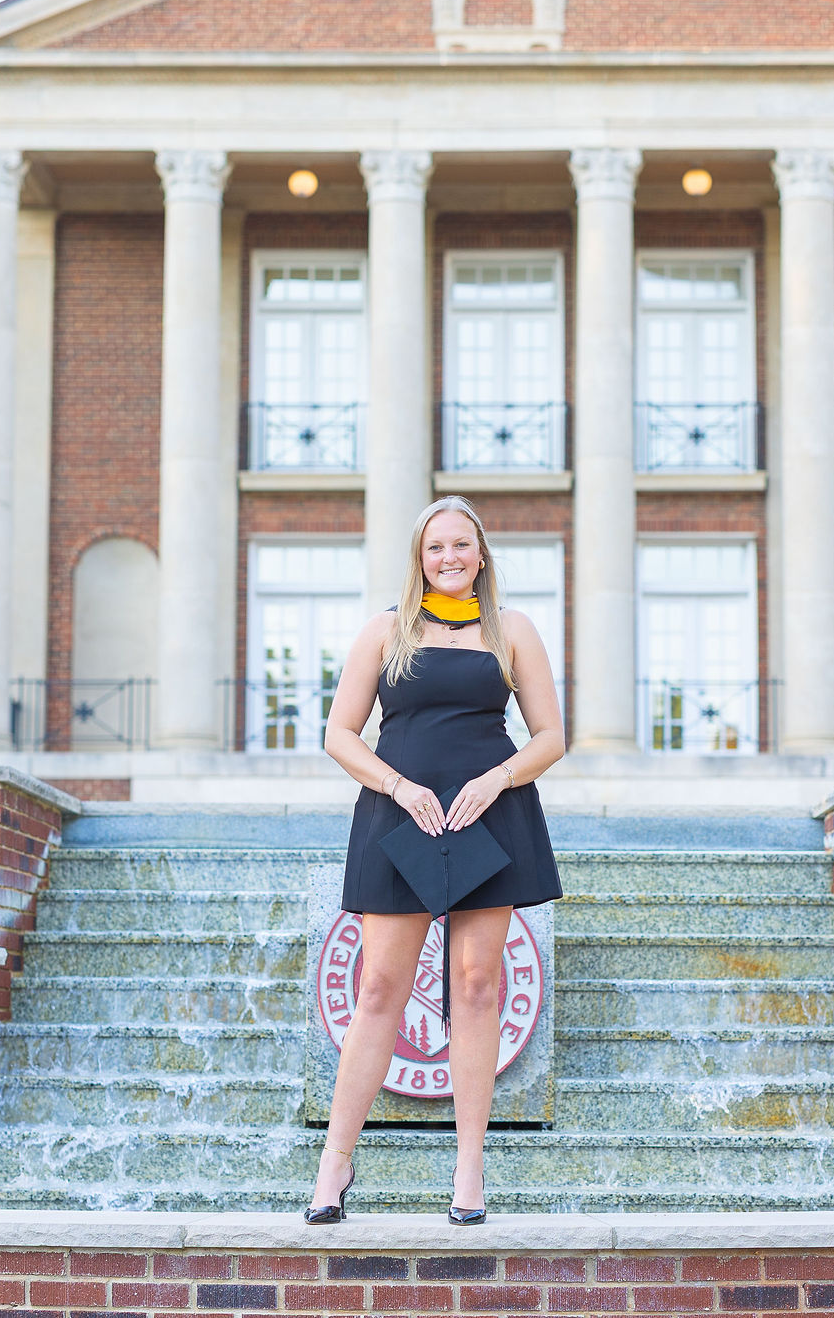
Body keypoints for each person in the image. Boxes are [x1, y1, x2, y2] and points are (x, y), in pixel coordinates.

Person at [304, 496, 565, 1225]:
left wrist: (496, 779)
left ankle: (469, 1170)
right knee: (380, 988)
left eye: (461, 545)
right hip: (402, 815)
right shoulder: (386, 632)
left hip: (490, 816)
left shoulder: (513, 631)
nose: (449, 557)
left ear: (481, 554)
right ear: (419, 560)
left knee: (478, 985)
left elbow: (550, 736)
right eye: (434, 548)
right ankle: (334, 1165)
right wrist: (396, 784)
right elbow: (340, 733)